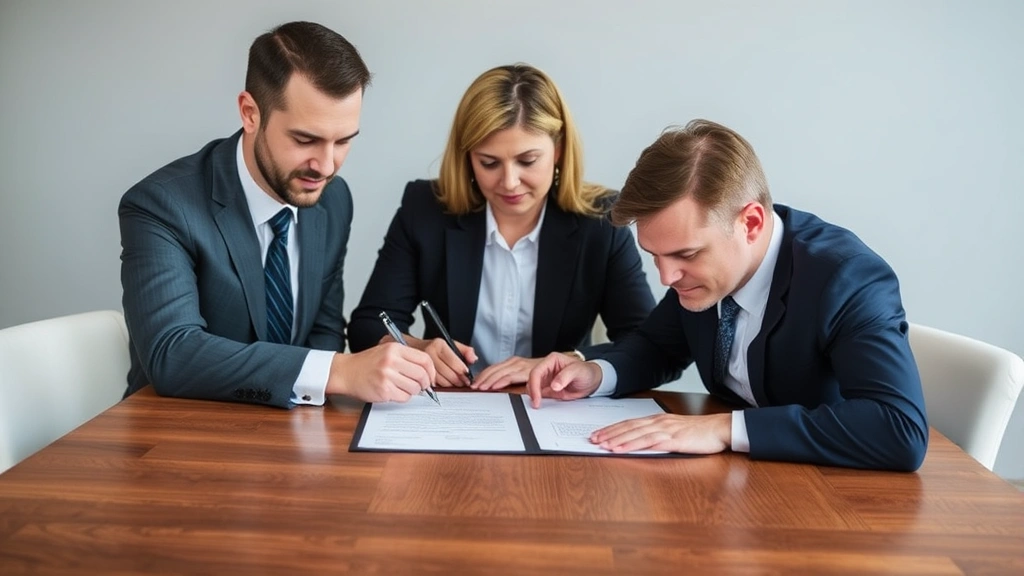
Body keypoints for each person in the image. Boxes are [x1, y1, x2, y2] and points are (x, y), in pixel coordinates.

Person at [526, 119, 929, 471]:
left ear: (750, 223)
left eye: (686, 254)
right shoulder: (707, 273)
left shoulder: (846, 279)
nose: (666, 276)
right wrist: (594, 372)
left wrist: (724, 428)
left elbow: (898, 428)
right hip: (746, 485)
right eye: (655, 256)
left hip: (838, 506)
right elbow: (658, 346)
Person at [119, 21, 436, 408]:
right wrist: (339, 371)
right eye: (305, 139)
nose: (326, 166)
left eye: (343, 141)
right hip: (176, 438)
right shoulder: (162, 205)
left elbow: (322, 330)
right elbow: (172, 353)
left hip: (284, 433)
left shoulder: (334, 201)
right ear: (250, 113)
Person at [347, 64, 656, 390]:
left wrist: (570, 361)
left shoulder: (601, 220)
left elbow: (647, 342)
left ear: (559, 150)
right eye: (489, 162)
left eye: (527, 161)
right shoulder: (425, 209)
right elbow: (368, 325)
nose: (509, 182)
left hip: (549, 407)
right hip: (450, 407)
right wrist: (419, 349)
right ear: (467, 157)